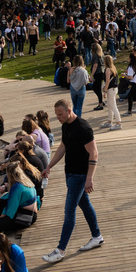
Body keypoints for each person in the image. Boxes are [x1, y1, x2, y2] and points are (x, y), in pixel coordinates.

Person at [40, 98, 103, 263]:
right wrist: (49, 166)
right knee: (85, 205)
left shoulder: (83, 128)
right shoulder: (66, 125)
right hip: (70, 173)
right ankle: (97, 236)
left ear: (69, 111)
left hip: (80, 176)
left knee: (69, 212)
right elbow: (63, 147)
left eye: (60, 114)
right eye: (56, 114)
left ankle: (60, 250)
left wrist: (90, 178)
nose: (58, 117)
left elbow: (94, 153)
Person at [100, 55, 121, 130]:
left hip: (110, 89)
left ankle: (118, 123)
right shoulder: (113, 68)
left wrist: (105, 91)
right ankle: (110, 121)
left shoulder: (108, 69)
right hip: (114, 89)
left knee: (113, 106)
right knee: (109, 106)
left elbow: (107, 81)